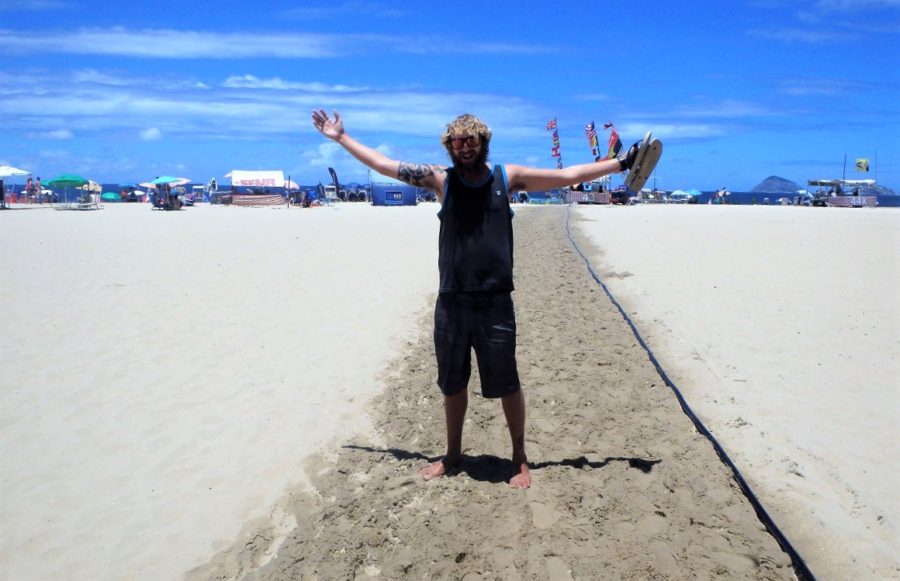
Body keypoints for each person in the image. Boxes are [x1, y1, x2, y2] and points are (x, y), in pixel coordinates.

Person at [311, 109, 645, 488]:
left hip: (495, 302)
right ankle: (452, 453)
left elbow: (568, 176)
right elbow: (385, 165)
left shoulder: (508, 177)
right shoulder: (441, 179)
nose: (464, 147)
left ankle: (519, 456)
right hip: (452, 301)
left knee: (507, 382)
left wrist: (620, 163)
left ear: (483, 143)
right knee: (452, 383)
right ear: (449, 146)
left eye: (471, 141)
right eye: (457, 141)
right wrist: (341, 138)